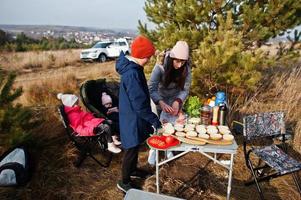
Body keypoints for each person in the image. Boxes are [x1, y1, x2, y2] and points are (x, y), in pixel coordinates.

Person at [115, 35, 162, 192]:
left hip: (132, 116)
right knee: (130, 149)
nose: (149, 60)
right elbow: (140, 104)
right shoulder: (132, 74)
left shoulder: (134, 68)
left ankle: (133, 170)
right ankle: (124, 182)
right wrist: (154, 120)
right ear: (141, 55)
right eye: (148, 57)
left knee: (134, 146)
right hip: (132, 117)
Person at [57, 93, 121, 153]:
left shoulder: (77, 110)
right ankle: (110, 145)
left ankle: (112, 138)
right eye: (75, 103)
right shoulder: (73, 116)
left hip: (91, 123)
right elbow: (79, 128)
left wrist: (94, 117)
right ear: (70, 105)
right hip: (89, 128)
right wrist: (91, 130)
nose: (77, 104)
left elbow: (86, 118)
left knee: (109, 122)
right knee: (106, 127)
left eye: (77, 102)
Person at [148, 41, 192, 122]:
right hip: (160, 99)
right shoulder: (160, 66)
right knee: (163, 124)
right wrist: (160, 102)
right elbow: (152, 88)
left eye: (182, 62)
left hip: (176, 100)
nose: (179, 65)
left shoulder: (187, 68)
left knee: (177, 125)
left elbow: (185, 89)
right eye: (177, 61)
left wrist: (178, 101)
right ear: (172, 58)